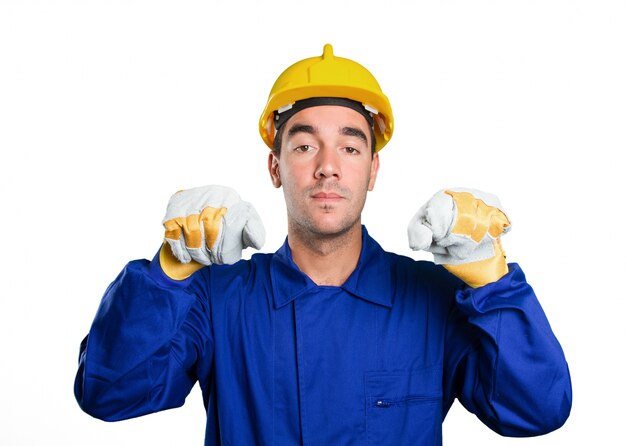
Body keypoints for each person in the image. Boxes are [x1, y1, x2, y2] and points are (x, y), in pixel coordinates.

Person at [74, 44, 572, 445]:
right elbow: (108, 393)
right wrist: (167, 274)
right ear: (275, 167)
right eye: (305, 145)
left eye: (351, 147)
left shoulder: (433, 298)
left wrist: (493, 283)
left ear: (373, 171)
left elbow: (537, 410)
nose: (328, 165)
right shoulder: (216, 299)